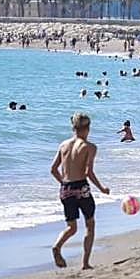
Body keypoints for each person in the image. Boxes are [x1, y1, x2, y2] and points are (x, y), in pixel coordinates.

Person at [50, 113, 111, 269]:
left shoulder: (63, 145)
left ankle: (57, 245)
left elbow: (53, 170)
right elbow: (88, 172)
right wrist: (102, 188)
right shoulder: (89, 147)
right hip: (81, 188)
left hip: (65, 189)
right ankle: (85, 263)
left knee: (71, 227)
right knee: (89, 224)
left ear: (73, 127)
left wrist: (64, 185)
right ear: (88, 128)